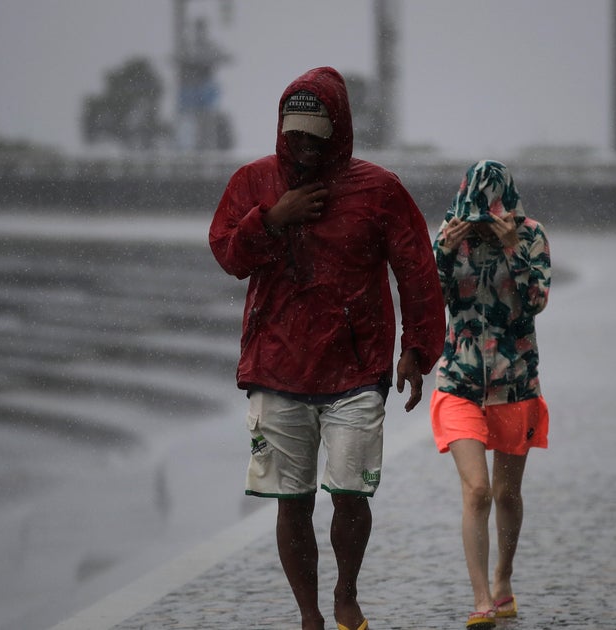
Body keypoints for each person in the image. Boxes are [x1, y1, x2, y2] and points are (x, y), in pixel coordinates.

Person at [208, 66, 446, 630]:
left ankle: (346, 593)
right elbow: (229, 256)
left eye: (314, 131)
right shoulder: (252, 183)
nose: (301, 142)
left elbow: (416, 270)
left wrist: (418, 347)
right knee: (292, 500)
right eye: (293, 130)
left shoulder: (379, 190)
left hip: (356, 368)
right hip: (277, 364)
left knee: (349, 493)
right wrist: (271, 219)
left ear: (337, 130)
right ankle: (310, 615)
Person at [429, 160, 552, 630]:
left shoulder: (531, 234)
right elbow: (433, 300)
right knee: (477, 491)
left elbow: (535, 303)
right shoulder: (450, 232)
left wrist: (510, 247)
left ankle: (503, 579)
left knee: (507, 493)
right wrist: (443, 254)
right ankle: (481, 599)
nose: (480, 222)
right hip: (458, 380)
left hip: (515, 381)